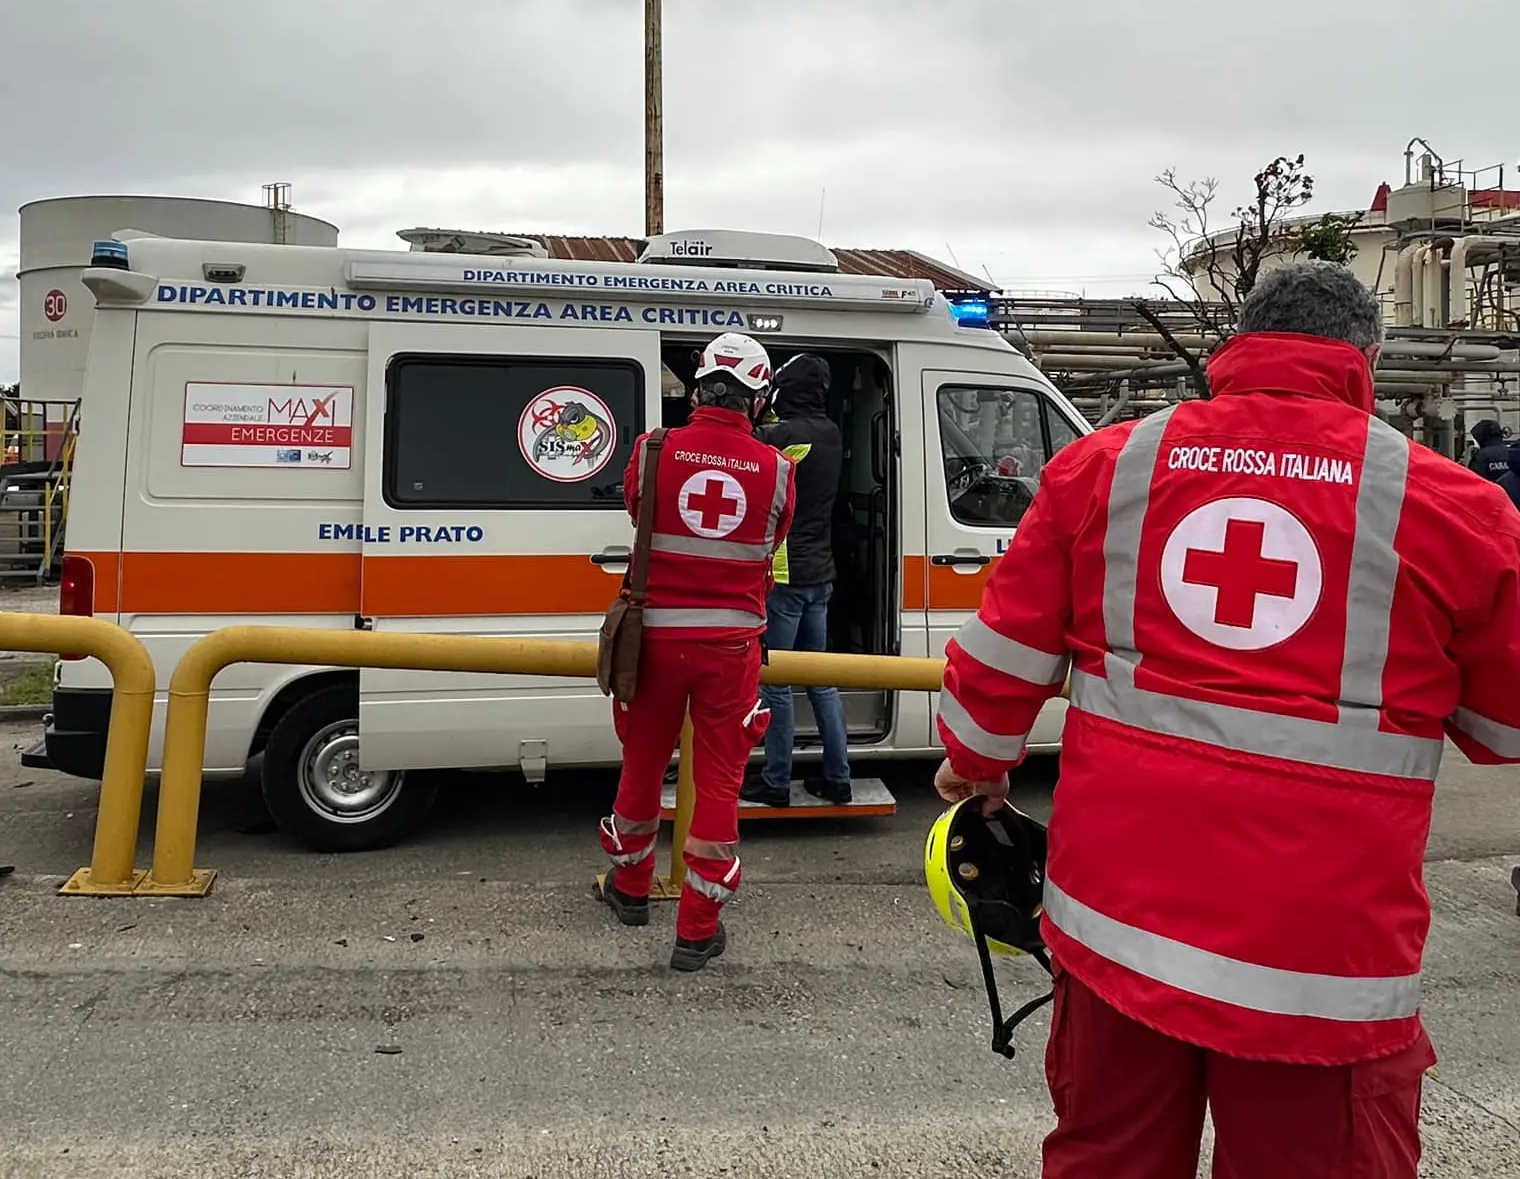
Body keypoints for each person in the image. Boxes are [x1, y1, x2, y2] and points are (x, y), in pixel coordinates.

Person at [934, 260, 1520, 1179]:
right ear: (1365, 359)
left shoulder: (1109, 464)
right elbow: (1502, 726)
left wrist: (978, 764)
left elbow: (999, 658)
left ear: (1235, 347)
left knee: (1107, 1159)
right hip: (1318, 966)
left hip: (1113, 931)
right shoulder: (1456, 507)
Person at [595, 331, 794, 972]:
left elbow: (635, 510)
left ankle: (629, 890)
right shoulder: (780, 472)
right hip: (730, 650)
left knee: (643, 764)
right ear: (759, 400)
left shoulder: (652, 450)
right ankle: (697, 929)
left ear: (700, 387)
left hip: (652, 643)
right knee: (718, 784)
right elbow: (771, 543)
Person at [740, 353, 852, 807]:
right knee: (821, 678)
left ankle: (776, 780)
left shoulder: (780, 436)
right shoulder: (830, 431)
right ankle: (838, 778)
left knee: (776, 682)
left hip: (785, 575)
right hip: (821, 573)